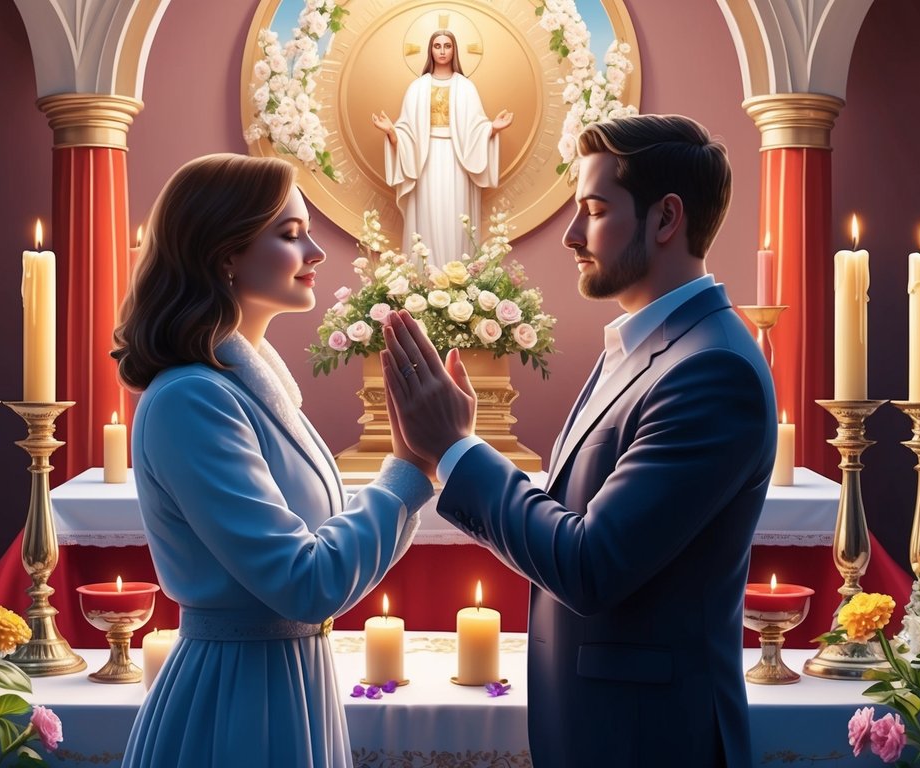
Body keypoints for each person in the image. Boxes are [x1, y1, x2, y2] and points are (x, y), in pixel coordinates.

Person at [380, 114, 777, 767]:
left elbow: (592, 565)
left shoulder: (712, 370)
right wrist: (460, 444)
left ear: (665, 218)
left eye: (592, 210)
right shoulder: (639, 344)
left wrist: (455, 451)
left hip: (651, 739)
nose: (569, 234)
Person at [111, 153, 434, 768]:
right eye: (290, 235)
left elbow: (322, 575)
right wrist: (410, 470)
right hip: (235, 697)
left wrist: (411, 468)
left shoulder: (252, 390)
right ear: (224, 253)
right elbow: (305, 582)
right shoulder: (193, 400)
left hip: (288, 679)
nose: (315, 251)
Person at [371, 29, 513, 267]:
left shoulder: (466, 87)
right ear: (431, 50)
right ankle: (425, 278)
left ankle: (458, 277)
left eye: (447, 46)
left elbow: (476, 128)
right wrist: (391, 131)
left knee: (457, 216)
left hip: (458, 159)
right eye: (438, 46)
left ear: (454, 50)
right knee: (427, 215)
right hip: (424, 160)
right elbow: (406, 133)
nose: (443, 51)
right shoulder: (417, 87)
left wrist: (493, 129)